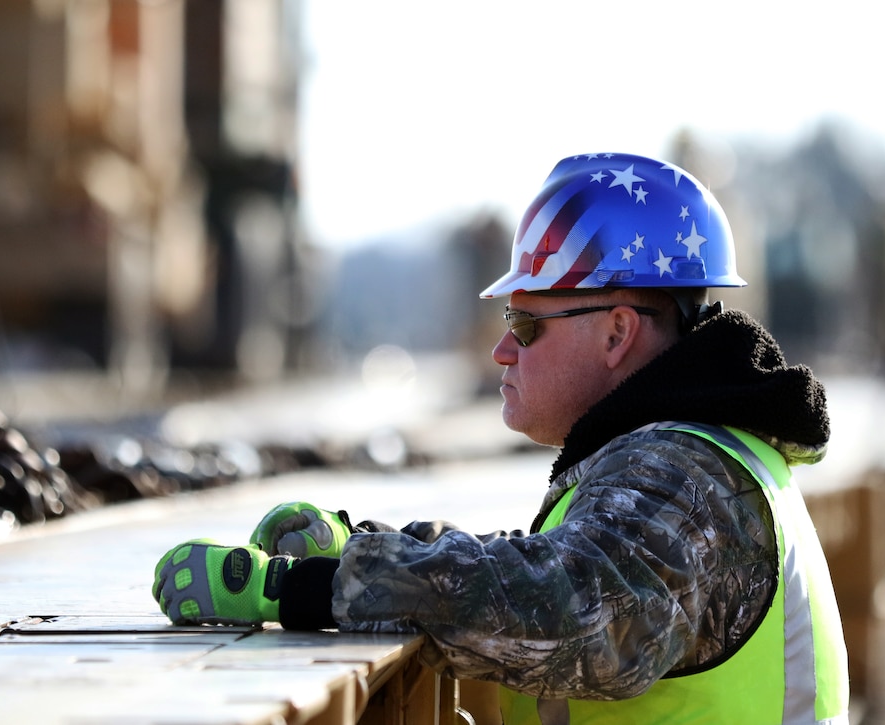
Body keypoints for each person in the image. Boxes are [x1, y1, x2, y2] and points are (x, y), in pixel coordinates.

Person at [153, 152, 850, 724]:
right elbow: (560, 562)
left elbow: (567, 607)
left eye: (525, 324)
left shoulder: (686, 476)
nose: (502, 351)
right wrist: (377, 547)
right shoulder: (681, 455)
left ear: (617, 332)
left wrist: (297, 588)